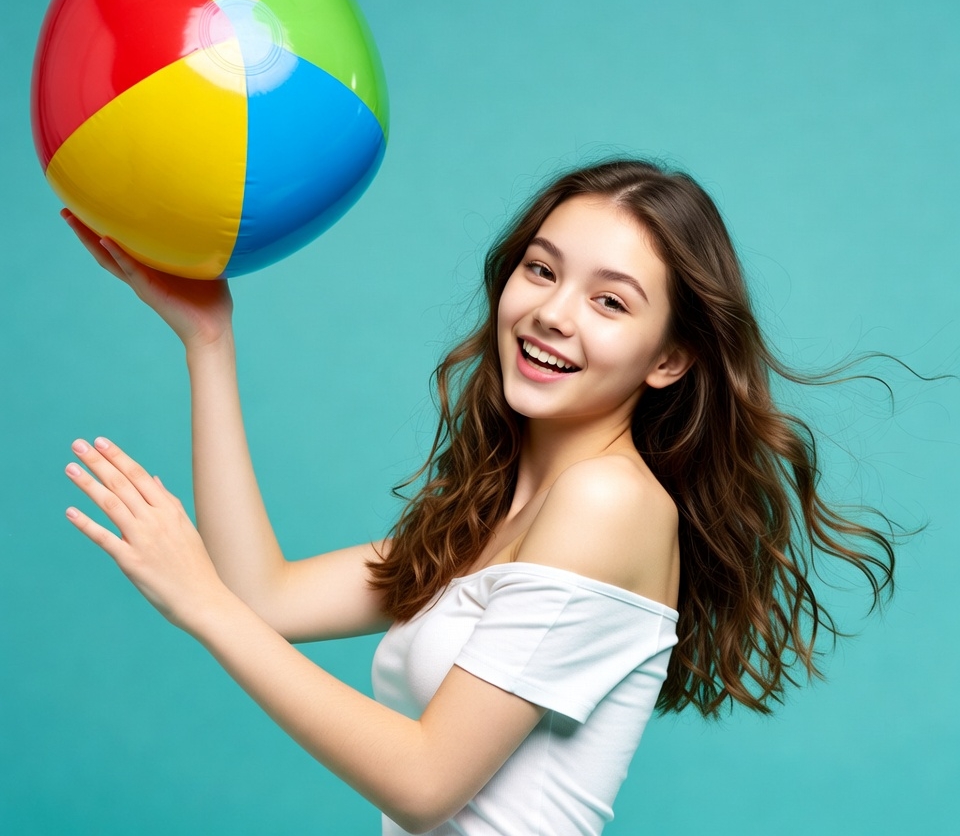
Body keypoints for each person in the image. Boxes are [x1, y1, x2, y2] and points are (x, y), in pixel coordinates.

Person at [61, 159, 895, 835]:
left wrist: (205, 606)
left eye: (610, 301)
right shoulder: (499, 514)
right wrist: (209, 340)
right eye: (541, 270)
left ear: (668, 359)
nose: (552, 314)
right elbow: (266, 597)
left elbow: (426, 783)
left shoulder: (611, 502)